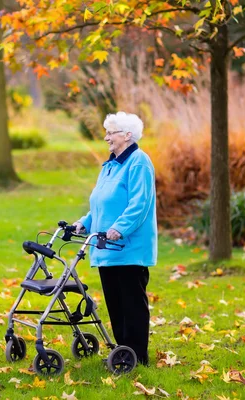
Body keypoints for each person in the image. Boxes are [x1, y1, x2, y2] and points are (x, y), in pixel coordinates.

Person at [73, 111, 157, 366]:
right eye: (107, 132)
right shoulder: (110, 166)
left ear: (128, 135)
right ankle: (123, 353)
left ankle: (137, 357)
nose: (107, 137)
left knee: (132, 304)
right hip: (106, 247)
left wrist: (119, 228)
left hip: (128, 247)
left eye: (111, 132)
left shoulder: (139, 163)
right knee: (116, 304)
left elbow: (139, 204)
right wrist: (84, 223)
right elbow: (100, 205)